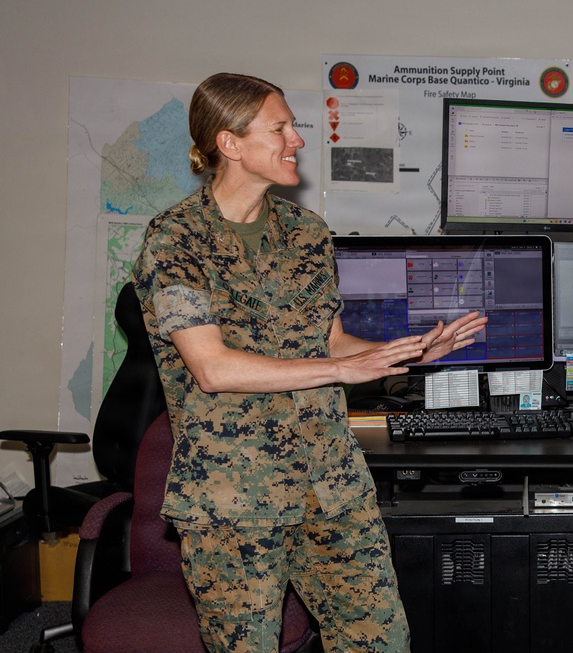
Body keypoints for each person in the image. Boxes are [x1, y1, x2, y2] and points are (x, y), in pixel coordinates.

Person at [132, 72, 487, 653]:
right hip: (235, 497)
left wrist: (409, 354)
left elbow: (333, 344)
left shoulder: (306, 233)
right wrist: (341, 370)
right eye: (280, 128)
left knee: (380, 641)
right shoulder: (175, 239)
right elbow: (213, 368)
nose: (297, 140)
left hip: (332, 482)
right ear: (230, 143)